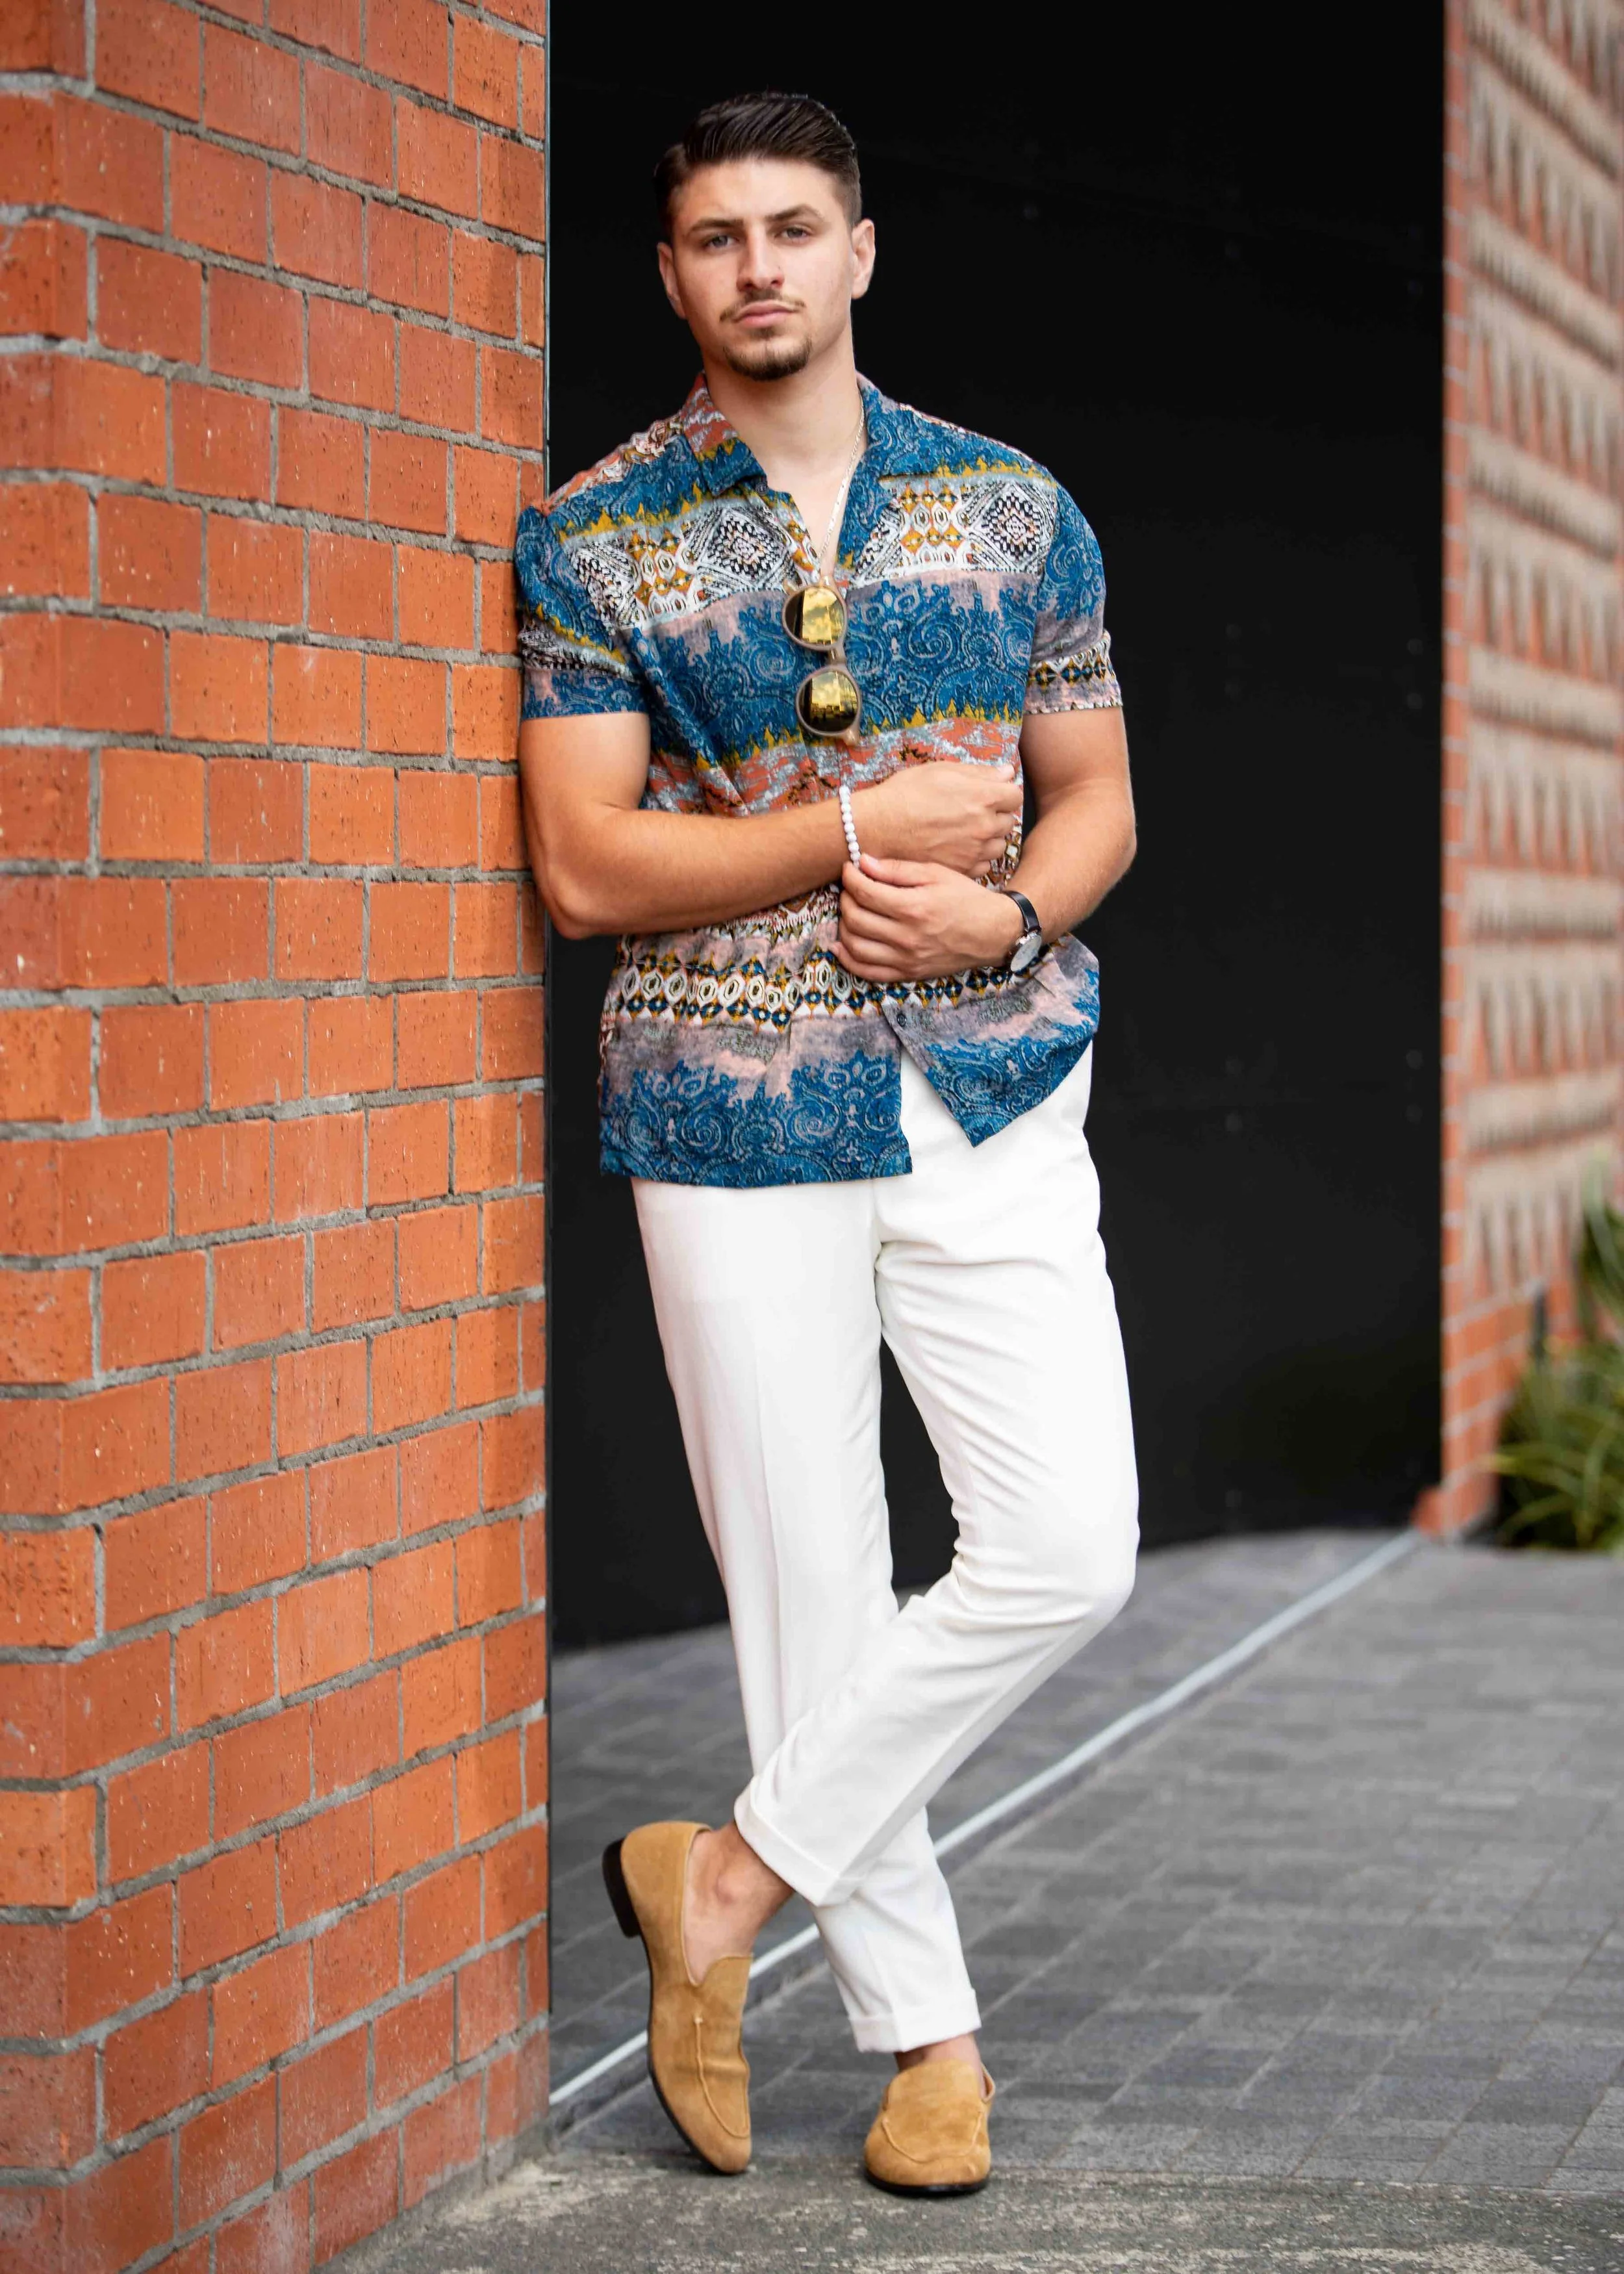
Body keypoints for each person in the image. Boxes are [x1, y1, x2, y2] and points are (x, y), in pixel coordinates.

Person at [515, 89, 1139, 2196]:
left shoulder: (1012, 505)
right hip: (725, 1102)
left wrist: (1013, 905)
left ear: (860, 249)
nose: (758, 265)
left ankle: (720, 1882)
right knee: (810, 1588)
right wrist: (859, 831)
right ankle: (925, 2039)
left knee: (1068, 1541)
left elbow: (1097, 800)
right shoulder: (592, 531)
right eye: (715, 237)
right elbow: (589, 870)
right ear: (674, 275)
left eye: (794, 225)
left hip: (991, 1078)